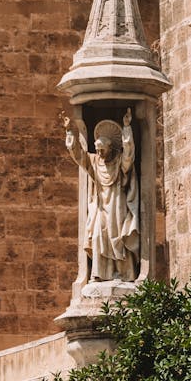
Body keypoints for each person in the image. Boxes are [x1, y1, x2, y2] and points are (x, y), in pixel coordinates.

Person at [64, 108, 139, 282]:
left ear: (110, 148)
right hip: (100, 205)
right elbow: (78, 155)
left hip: (118, 203)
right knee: (98, 236)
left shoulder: (120, 160)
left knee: (119, 239)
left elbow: (129, 155)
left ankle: (124, 274)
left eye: (102, 150)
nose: (99, 153)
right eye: (97, 150)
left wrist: (127, 128)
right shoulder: (94, 161)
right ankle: (99, 274)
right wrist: (69, 132)